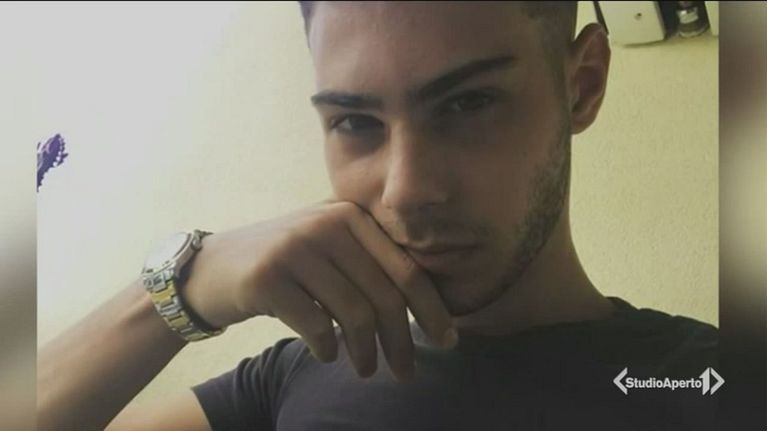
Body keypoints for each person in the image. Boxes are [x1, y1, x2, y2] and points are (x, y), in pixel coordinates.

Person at [37, 2, 719, 430]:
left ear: (582, 85)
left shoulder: (715, 382)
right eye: (355, 121)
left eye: (467, 103)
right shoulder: (303, 370)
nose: (405, 189)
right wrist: (180, 289)